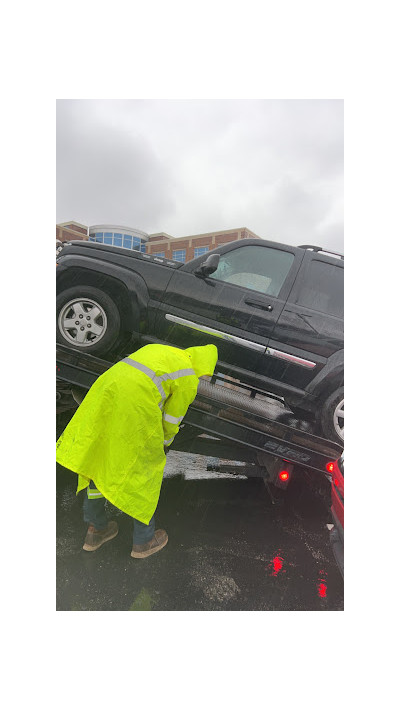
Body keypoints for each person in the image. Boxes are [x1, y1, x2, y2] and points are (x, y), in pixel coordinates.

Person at [56, 343, 218, 558]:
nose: (203, 377)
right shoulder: (188, 376)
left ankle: (96, 530)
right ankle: (144, 541)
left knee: (99, 462)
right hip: (134, 410)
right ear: (204, 364)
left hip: (104, 396)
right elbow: (172, 418)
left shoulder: (159, 350)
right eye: (206, 373)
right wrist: (165, 443)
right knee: (144, 474)